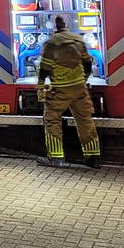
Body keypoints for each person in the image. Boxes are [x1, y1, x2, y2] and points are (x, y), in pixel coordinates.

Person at [36, 15, 101, 168]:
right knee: (85, 120)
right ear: (67, 26)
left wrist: (40, 86)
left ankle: (56, 158)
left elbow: (44, 68)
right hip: (79, 89)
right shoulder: (78, 40)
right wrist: (83, 80)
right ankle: (93, 157)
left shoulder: (51, 43)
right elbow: (87, 63)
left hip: (60, 90)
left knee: (52, 119)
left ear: (54, 27)